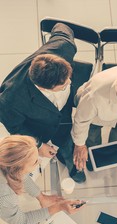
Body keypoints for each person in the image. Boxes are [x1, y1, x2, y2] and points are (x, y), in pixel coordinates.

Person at [0, 23, 85, 183]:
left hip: (64, 120)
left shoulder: (63, 47)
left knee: (66, 143)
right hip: (39, 127)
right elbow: (16, 128)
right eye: (63, 85)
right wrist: (38, 145)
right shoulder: (9, 100)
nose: (69, 82)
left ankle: (69, 161)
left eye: (68, 77)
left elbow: (61, 26)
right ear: (41, 87)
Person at [0, 135, 83, 224]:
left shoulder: (4, 149)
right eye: (35, 162)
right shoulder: (5, 197)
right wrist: (59, 207)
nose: (39, 162)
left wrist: (41, 197)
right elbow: (22, 221)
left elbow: (22, 175)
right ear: (16, 169)